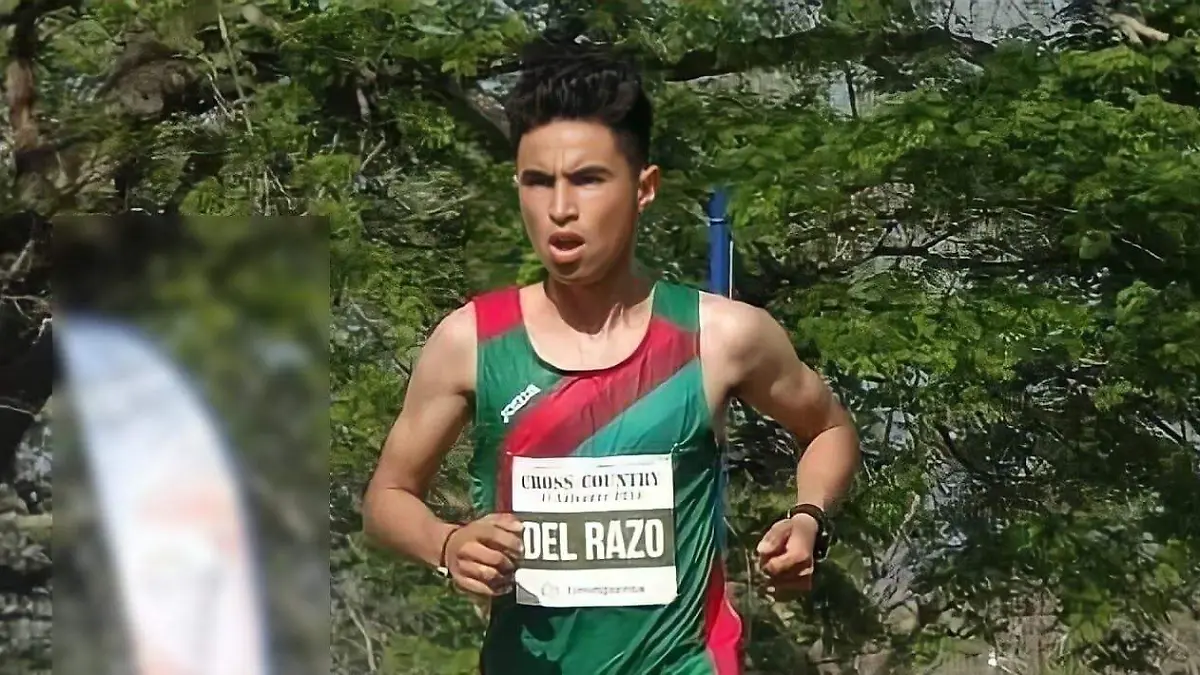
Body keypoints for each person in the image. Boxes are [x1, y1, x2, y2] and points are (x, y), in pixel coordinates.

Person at [362, 42, 861, 675]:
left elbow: (829, 428)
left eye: (588, 180)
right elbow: (387, 498)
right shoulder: (471, 341)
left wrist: (809, 518)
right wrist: (448, 543)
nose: (560, 209)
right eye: (538, 182)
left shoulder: (721, 336)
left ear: (643, 188)